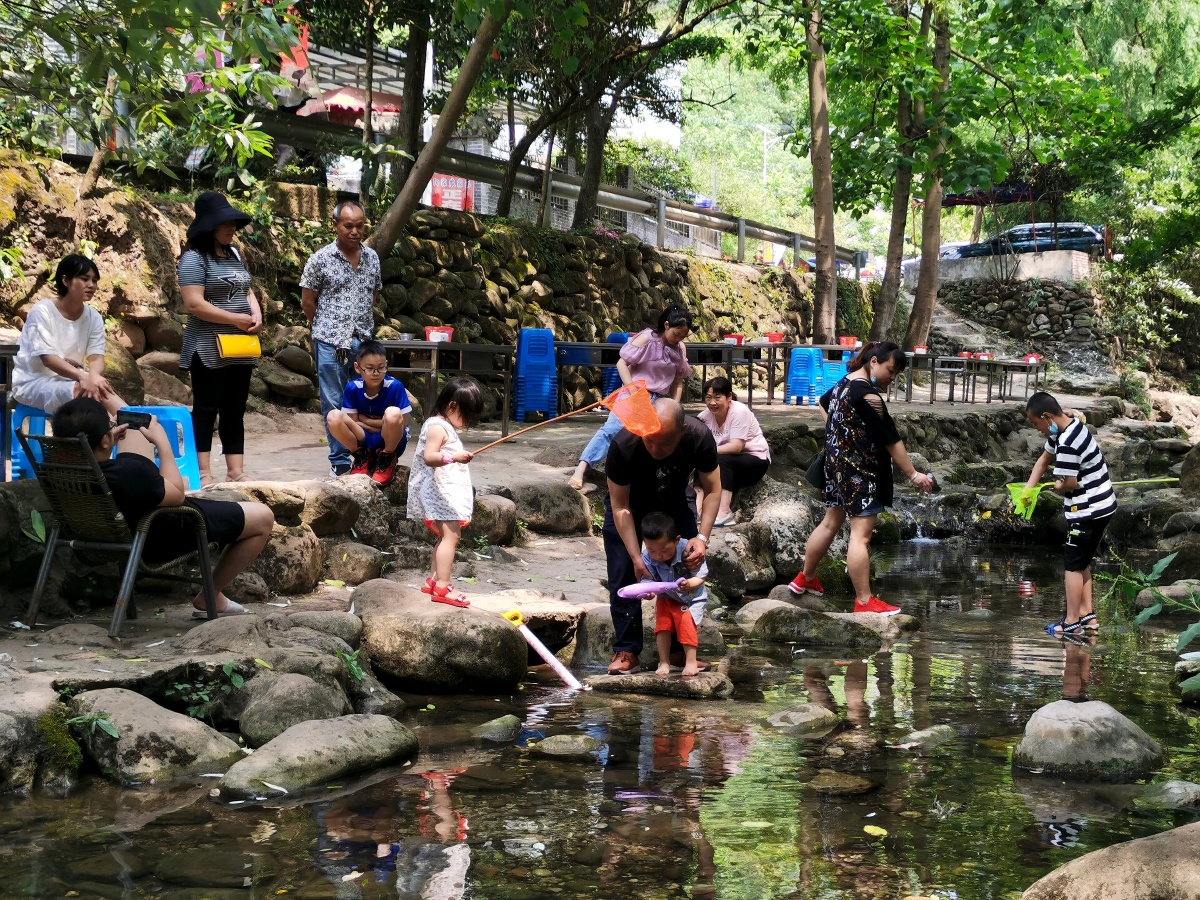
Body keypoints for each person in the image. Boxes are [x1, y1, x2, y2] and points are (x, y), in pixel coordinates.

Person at [51, 397, 275, 616]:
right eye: (110, 426)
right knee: (263, 517)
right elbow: (177, 496)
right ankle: (210, 594)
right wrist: (163, 444)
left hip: (108, 531)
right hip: (162, 531)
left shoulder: (58, 468)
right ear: (104, 441)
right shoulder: (127, 474)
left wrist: (110, 438)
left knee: (137, 427)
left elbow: (119, 468)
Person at [787, 341, 934, 615]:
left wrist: (838, 433)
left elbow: (822, 402)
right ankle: (865, 601)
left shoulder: (844, 384)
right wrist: (913, 474)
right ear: (874, 362)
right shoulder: (868, 395)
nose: (892, 377)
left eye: (897, 373)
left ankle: (805, 578)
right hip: (859, 472)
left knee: (830, 523)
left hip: (835, 467)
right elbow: (891, 440)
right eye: (891, 370)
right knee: (861, 537)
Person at [604, 397, 721, 674]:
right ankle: (627, 650)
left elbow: (714, 490)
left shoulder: (699, 437)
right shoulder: (624, 443)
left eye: (664, 442)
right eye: (650, 441)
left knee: (686, 567)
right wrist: (636, 556)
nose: (655, 448)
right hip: (629, 505)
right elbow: (620, 507)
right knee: (624, 571)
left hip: (674, 500)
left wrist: (701, 539)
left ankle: (680, 653)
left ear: (681, 432)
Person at [178, 191, 264, 486]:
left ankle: (235, 471)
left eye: (233, 223)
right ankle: (202, 471)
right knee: (205, 409)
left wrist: (256, 314)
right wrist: (234, 319)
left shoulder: (235, 254)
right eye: (225, 223)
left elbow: (247, 290)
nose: (232, 228)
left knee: (234, 409)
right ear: (208, 226)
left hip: (239, 346)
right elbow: (194, 304)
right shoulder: (192, 258)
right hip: (207, 346)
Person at [569, 306, 694, 491]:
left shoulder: (679, 349)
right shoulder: (647, 338)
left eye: (682, 336)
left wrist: (674, 405)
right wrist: (632, 390)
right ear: (666, 325)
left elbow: (678, 381)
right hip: (635, 392)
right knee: (611, 430)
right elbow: (621, 363)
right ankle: (581, 470)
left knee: (652, 439)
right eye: (676, 334)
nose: (678, 339)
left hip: (660, 400)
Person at [1023, 391, 1116, 637]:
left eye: (1036, 424)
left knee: (1072, 565)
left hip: (1089, 510)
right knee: (1082, 560)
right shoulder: (1070, 427)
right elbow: (1043, 460)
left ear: (1047, 417)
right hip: (1103, 506)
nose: (1038, 429)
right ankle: (1088, 616)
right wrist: (1027, 490)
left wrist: (1056, 486)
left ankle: (1072, 621)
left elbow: (1070, 482)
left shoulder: (1067, 443)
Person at [300, 200, 383, 476]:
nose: (355, 231)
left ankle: (366, 456)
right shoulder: (320, 259)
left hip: (362, 342)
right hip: (330, 342)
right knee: (334, 403)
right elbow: (307, 302)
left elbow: (373, 296)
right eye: (348, 226)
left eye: (360, 226)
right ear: (335, 225)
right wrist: (325, 330)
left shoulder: (372, 258)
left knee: (366, 401)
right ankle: (340, 461)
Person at [14, 254, 126, 415]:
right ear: (65, 280)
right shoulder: (43, 310)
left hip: (70, 379)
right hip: (33, 381)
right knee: (87, 390)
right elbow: (48, 359)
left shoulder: (93, 316)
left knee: (99, 387)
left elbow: (96, 357)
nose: (91, 285)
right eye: (84, 279)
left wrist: (93, 375)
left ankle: (130, 422)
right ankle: (120, 427)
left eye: (94, 280)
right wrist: (82, 377)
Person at [407, 377, 483, 608]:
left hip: (442, 493)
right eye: (467, 415)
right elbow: (429, 457)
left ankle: (433, 580)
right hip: (439, 494)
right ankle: (442, 586)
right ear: (452, 406)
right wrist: (454, 457)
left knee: (445, 538)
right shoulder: (437, 427)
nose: (468, 422)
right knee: (452, 537)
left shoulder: (441, 425)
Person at [325, 340, 411, 487]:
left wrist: (367, 421)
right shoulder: (352, 388)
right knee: (333, 416)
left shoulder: (395, 386)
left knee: (393, 413)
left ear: (386, 364)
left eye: (381, 368)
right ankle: (360, 457)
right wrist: (382, 422)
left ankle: (387, 458)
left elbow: (402, 423)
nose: (376, 373)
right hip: (363, 437)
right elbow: (352, 422)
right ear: (358, 368)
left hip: (390, 439)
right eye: (370, 368)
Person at [640, 512, 709, 677]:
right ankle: (664, 662)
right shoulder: (647, 556)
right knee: (662, 627)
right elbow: (648, 579)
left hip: (691, 597)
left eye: (664, 550)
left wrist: (688, 584)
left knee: (686, 624)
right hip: (666, 596)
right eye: (652, 550)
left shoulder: (688, 550)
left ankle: (691, 661)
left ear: (676, 540)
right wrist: (648, 591)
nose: (658, 556)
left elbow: (701, 576)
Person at [696, 376, 771, 525]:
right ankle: (698, 510)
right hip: (729, 464)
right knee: (702, 461)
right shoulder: (704, 417)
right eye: (708, 398)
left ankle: (724, 512)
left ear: (729, 396)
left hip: (755, 460)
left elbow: (736, 447)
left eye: (717, 398)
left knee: (719, 459)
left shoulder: (739, 411)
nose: (712, 403)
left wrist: (707, 452)